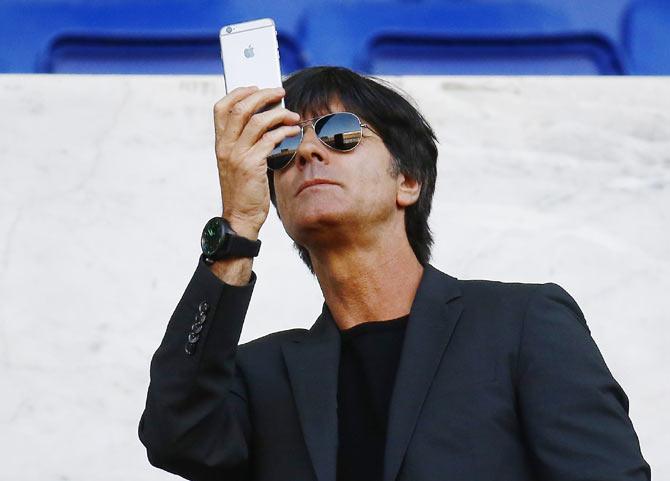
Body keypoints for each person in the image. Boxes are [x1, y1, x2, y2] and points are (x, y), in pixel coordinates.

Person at [138, 66, 651, 481]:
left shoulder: (522, 323)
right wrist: (238, 227)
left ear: (408, 181)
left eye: (340, 136)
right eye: (283, 151)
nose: (309, 152)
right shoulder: (259, 374)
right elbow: (176, 435)